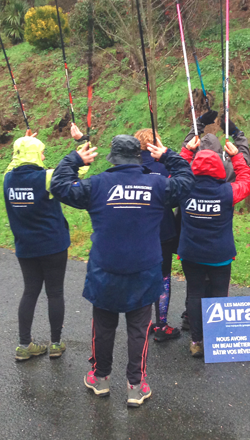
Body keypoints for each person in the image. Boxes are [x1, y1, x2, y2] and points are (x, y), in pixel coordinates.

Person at [50, 135, 193, 407]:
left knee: (103, 327)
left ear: (113, 158)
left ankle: (101, 378)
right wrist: (168, 156)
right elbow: (187, 180)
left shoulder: (97, 184)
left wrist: (75, 160)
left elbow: (59, 186)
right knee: (139, 328)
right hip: (144, 269)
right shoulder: (157, 183)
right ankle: (135, 386)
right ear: (138, 156)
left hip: (106, 269)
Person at [3, 124, 88, 361]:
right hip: (52, 245)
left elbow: (14, 162)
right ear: (34, 155)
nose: (43, 156)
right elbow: (78, 168)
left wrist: (22, 143)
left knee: (30, 291)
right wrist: (81, 140)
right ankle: (56, 344)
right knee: (55, 292)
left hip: (25, 246)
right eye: (40, 152)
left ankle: (23, 344)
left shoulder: (7, 179)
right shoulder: (48, 178)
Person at [178, 136, 250, 358]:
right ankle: (217, 340)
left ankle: (196, 341)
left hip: (191, 253)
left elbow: (172, 177)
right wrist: (237, 157)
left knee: (194, 294)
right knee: (219, 295)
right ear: (220, 167)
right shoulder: (228, 192)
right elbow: (247, 182)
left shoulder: (183, 189)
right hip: (220, 254)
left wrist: (185, 152)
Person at [134, 128, 182, 342]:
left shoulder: (130, 166)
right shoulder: (165, 166)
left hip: (137, 231)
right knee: (163, 277)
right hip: (163, 229)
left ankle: (140, 324)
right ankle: (161, 324)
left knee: (141, 275)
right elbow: (176, 194)